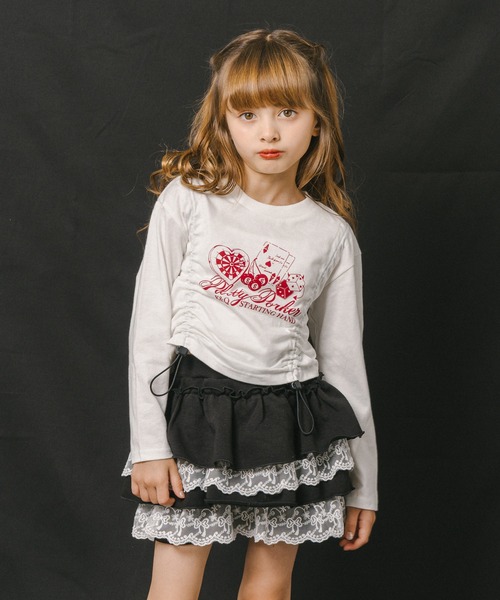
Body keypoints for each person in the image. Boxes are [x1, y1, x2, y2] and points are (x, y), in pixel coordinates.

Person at [121, 28, 378, 600]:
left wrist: (365, 485)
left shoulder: (331, 236)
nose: (268, 132)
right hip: (196, 416)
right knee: (174, 587)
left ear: (318, 122)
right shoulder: (190, 199)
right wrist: (149, 446)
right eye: (248, 114)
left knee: (268, 587)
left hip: (292, 421)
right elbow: (150, 329)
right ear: (224, 122)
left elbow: (343, 364)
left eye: (288, 111)